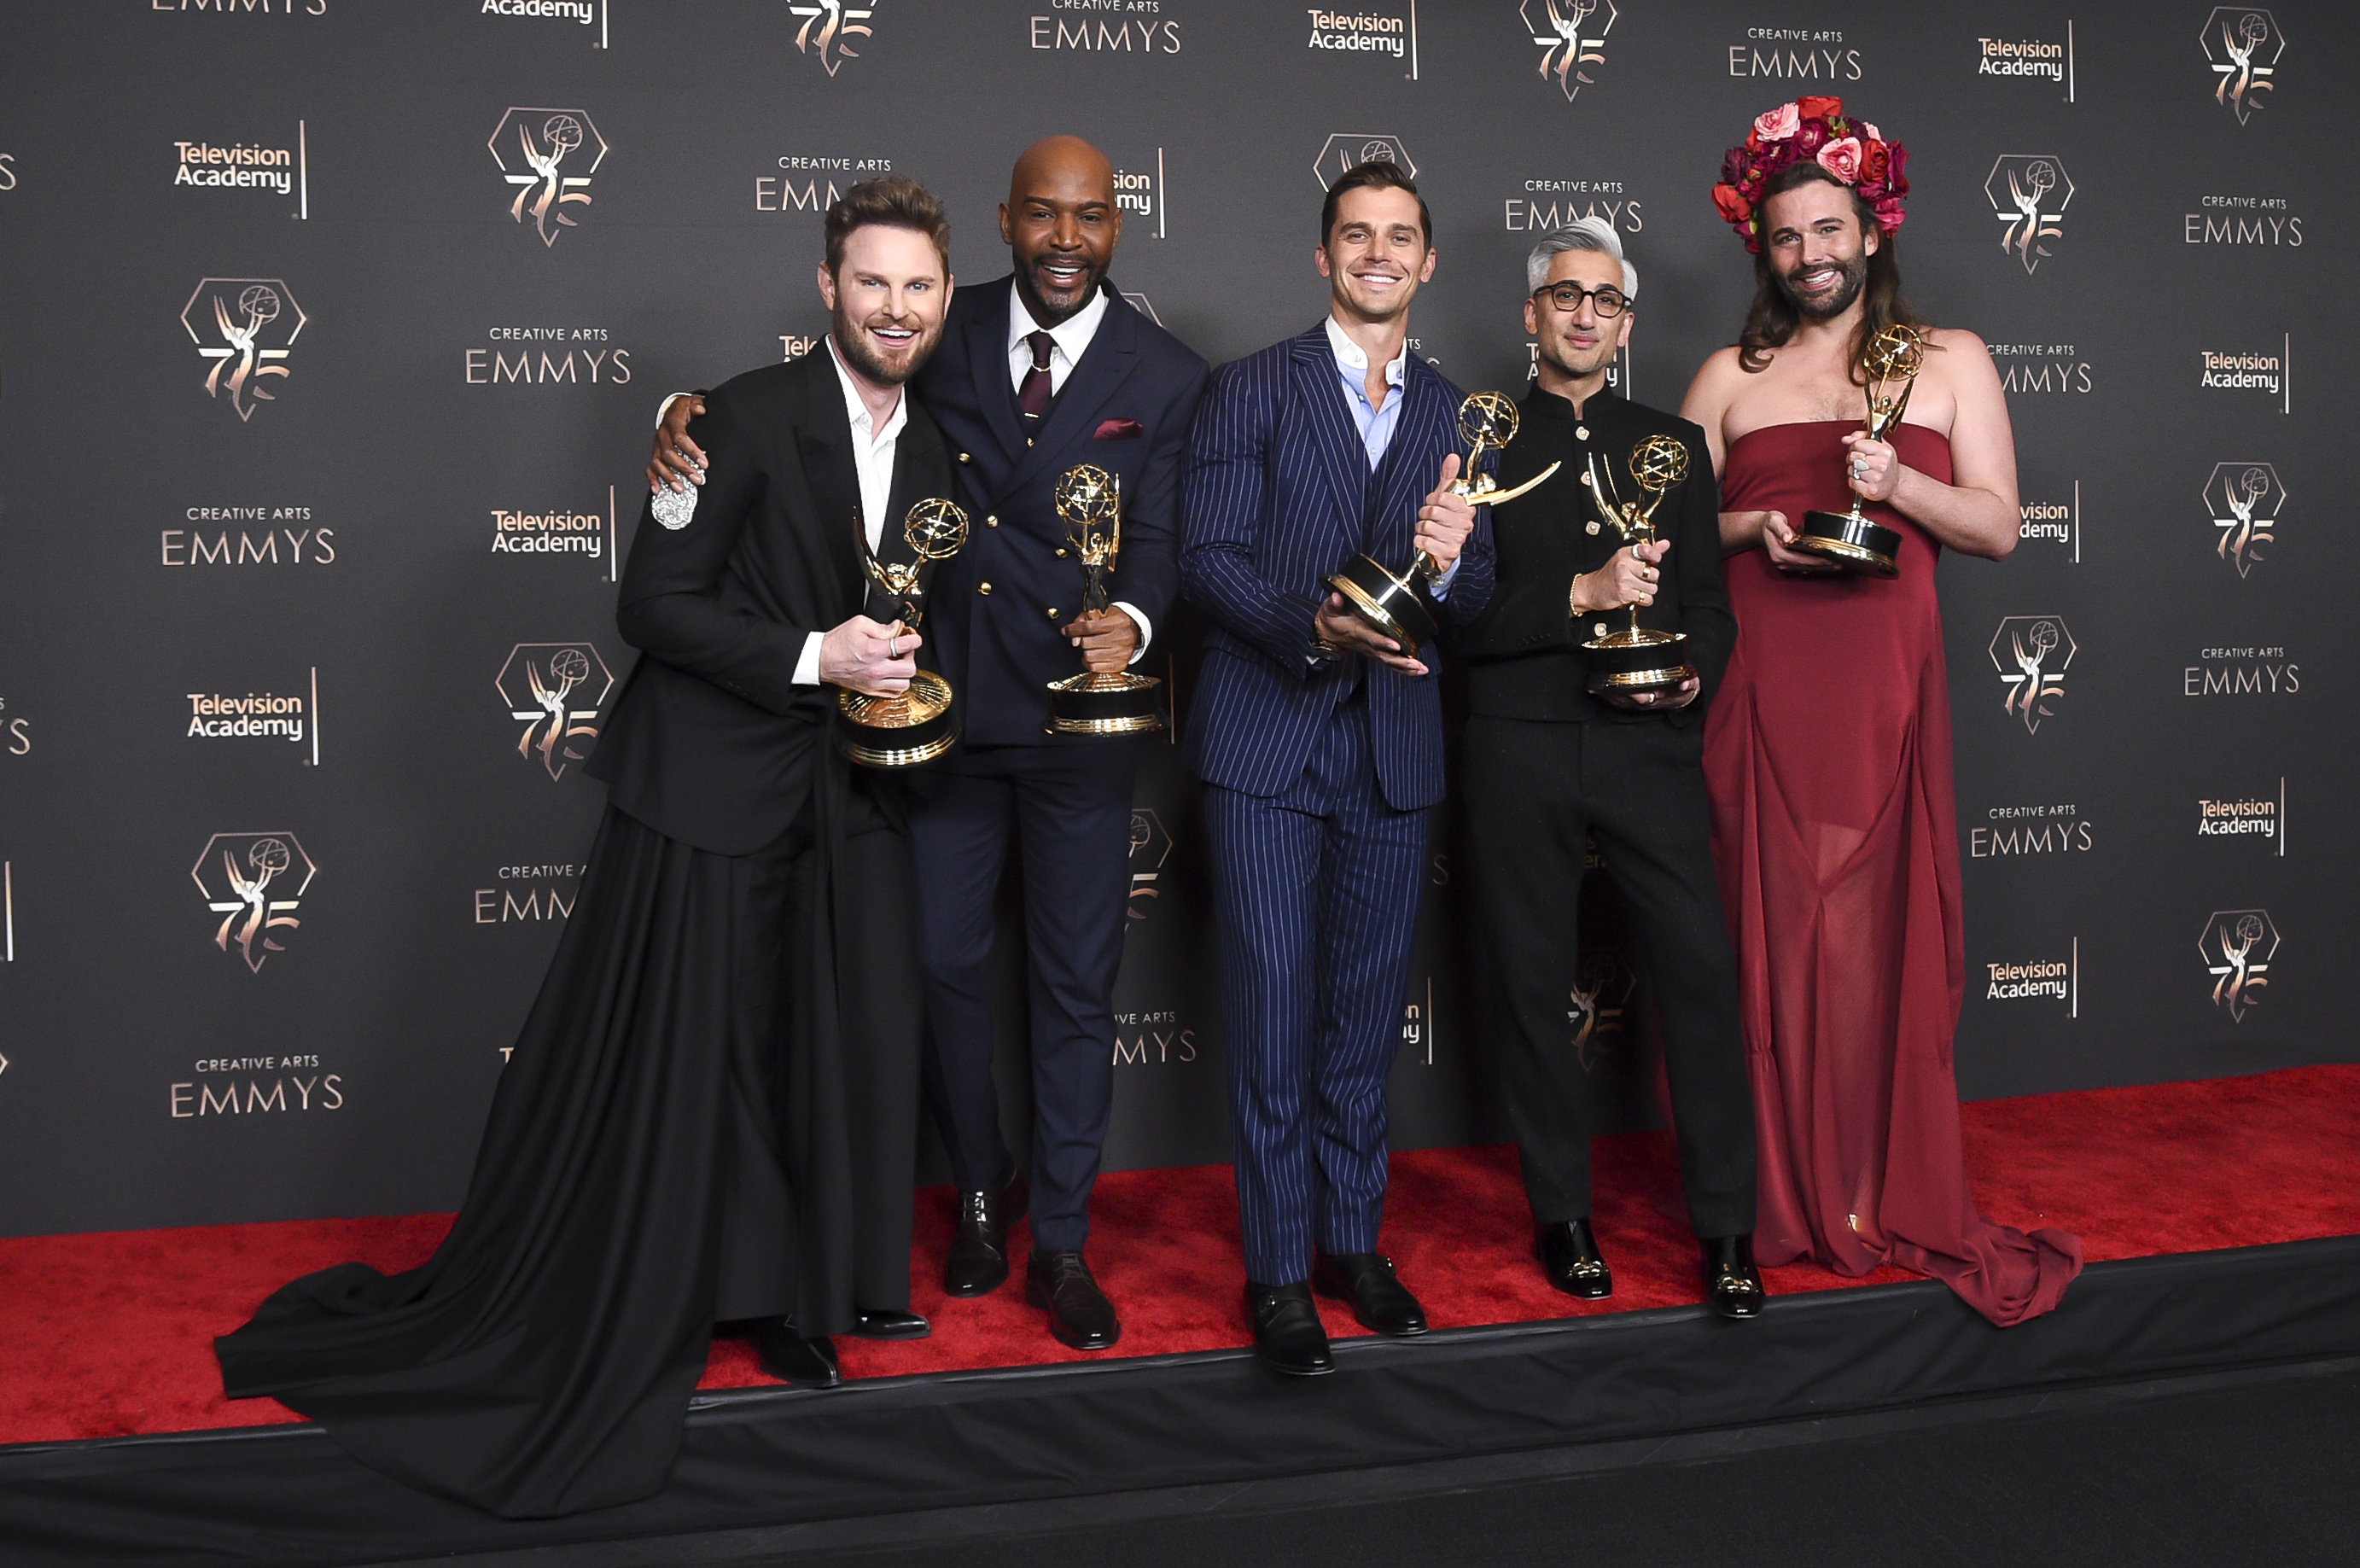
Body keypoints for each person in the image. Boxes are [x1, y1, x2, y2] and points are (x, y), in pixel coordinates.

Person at [215, 177, 956, 1518]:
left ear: (943, 298)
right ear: (826, 288)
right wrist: (813, 655)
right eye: (872, 282)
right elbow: (651, 607)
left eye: (917, 286)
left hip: (853, 804)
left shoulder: (945, 449)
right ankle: (680, 1294)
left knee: (817, 1045)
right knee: (704, 1055)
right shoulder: (728, 420)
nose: (894, 307)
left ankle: (797, 1296)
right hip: (711, 791)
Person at [653, 137, 1208, 1353]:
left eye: (1092, 217)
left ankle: (1058, 1237)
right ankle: (977, 1184)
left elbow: (1161, 537)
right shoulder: (938, 328)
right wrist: (681, 413)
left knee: (1073, 988)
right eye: (1043, 216)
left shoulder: (1165, 372)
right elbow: (817, 403)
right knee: (943, 965)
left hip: (1077, 723)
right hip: (938, 719)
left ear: (1121, 226)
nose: (1066, 239)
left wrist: (1140, 613)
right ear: (1006, 224)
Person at [1681, 99, 2082, 1325]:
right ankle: (1776, 1201)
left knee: (1875, 940)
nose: (1810, 254)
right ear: (1765, 251)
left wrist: (1899, 481)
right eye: (1788, 237)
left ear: (1873, 228)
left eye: (1829, 229)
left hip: (1883, 695)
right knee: (1766, 938)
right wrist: (1754, 524)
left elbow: (2001, 527)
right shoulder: (1724, 379)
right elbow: (1662, 531)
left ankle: (1870, 1188)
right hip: (1758, 693)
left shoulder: (1951, 358)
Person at [1181, 161, 1491, 1376]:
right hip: (1264, 742)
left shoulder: (1466, 417)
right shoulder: (1249, 388)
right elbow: (1206, 558)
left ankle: (1353, 1242)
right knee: (1269, 1021)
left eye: (1400, 236)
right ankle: (1276, 1269)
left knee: (1362, 1025)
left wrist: (1456, 563)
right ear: (1322, 257)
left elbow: (1469, 595)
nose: (1377, 253)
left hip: (1392, 754)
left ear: (1428, 264)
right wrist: (1311, 626)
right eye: (1355, 234)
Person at [1457, 219, 1763, 1317]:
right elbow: (1455, 617)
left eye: (1604, 301)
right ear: (1529, 313)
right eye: (1564, 296)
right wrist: (1578, 596)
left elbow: (1708, 608)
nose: (1584, 315)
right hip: (1517, 745)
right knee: (1534, 992)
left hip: (1644, 744)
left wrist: (1690, 682)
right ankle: (1564, 1216)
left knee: (1699, 980)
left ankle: (1729, 1227)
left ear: (1625, 325)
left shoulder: (1668, 446)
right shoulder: (1478, 440)